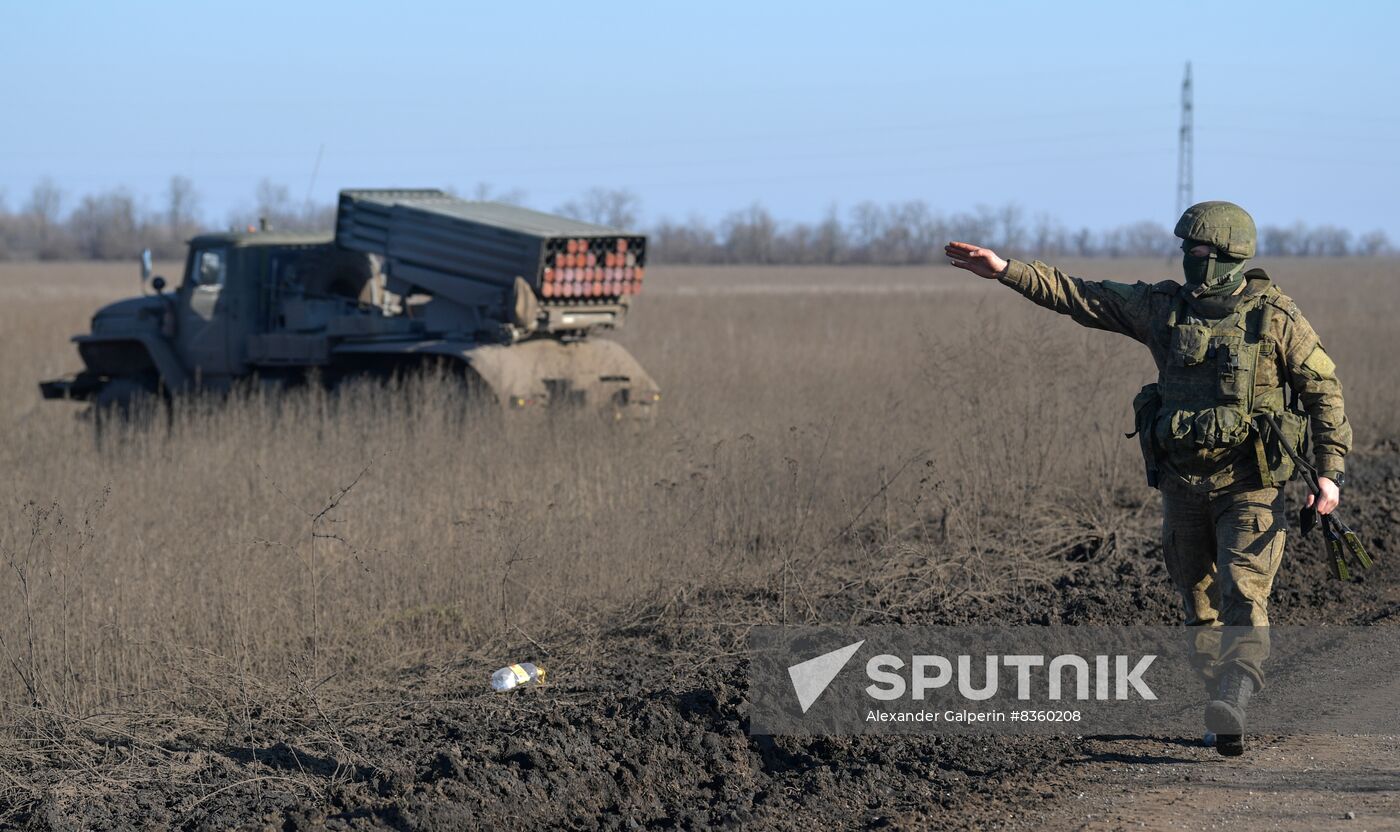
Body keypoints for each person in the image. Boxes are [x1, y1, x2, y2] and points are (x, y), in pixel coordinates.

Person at [944, 201, 1351, 757]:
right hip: (1183, 484)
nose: (1191, 260)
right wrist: (1005, 270)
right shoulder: (1164, 309)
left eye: (1201, 252)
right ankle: (1218, 700)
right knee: (1198, 601)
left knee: (1243, 592)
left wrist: (1328, 474)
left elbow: (1324, 395)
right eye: (1186, 250)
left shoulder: (1275, 318)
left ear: (1231, 256)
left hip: (1251, 485)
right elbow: (1083, 295)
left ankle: (1233, 696)